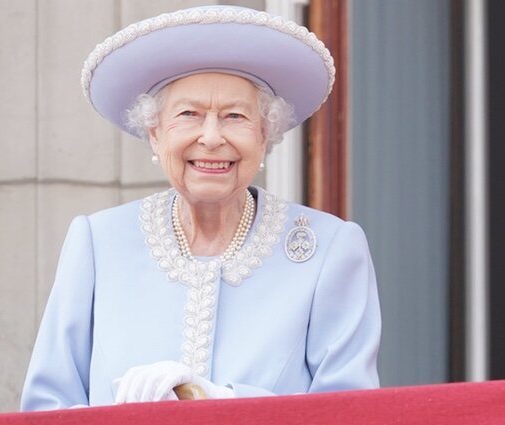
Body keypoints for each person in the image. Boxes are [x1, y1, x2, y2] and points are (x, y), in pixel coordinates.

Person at [21, 5, 381, 410]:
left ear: (265, 136)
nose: (211, 137)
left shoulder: (330, 249)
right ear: (155, 134)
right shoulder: (97, 243)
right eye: (189, 114)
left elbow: (352, 411)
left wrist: (226, 403)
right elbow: (45, 407)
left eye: (235, 116)